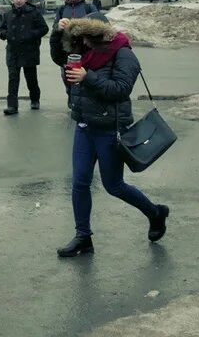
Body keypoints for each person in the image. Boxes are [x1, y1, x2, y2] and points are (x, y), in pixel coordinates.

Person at [56, 17, 169, 258]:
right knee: (79, 182)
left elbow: (121, 88)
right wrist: (59, 35)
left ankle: (155, 213)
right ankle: (83, 236)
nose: (82, 43)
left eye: (85, 38)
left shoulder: (123, 53)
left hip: (110, 128)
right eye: (78, 39)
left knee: (113, 186)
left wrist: (89, 78)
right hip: (85, 126)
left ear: (97, 36)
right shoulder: (85, 51)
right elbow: (59, 57)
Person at [0, 0, 50, 115]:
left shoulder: (34, 13)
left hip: (29, 50)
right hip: (12, 51)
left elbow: (44, 28)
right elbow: (0, 30)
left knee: (31, 78)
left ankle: (35, 99)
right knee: (13, 79)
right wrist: (5, 34)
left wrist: (31, 34)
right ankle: (12, 106)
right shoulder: (8, 14)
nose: (19, 1)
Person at [49, 0, 101, 98]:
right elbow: (55, 27)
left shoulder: (89, 7)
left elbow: (98, 23)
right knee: (67, 75)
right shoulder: (62, 9)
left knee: (85, 73)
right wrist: (59, 26)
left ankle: (85, 98)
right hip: (67, 48)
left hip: (85, 47)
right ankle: (70, 96)